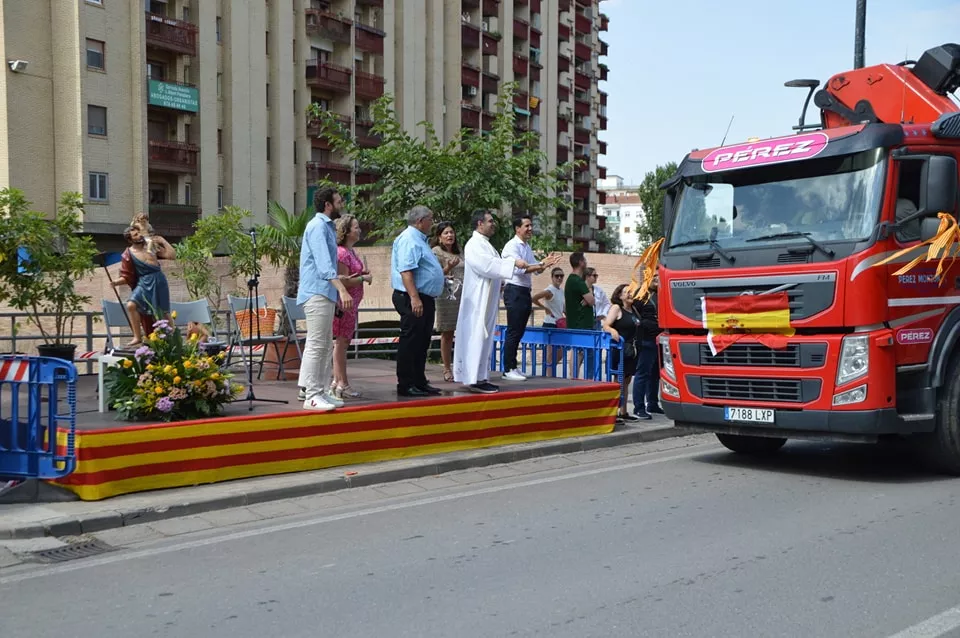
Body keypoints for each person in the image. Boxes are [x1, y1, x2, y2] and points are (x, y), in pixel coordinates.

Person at [454, 210, 528, 394]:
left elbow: (494, 265)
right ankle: (473, 378)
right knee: (477, 336)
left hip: (487, 299)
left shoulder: (486, 244)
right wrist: (513, 264)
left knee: (485, 337)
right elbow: (487, 266)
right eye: (490, 221)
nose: (493, 224)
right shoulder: (474, 245)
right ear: (480, 223)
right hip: (478, 301)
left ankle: (481, 376)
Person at [297, 187, 352, 411]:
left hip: (324, 293)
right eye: (338, 201)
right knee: (317, 344)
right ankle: (312, 395)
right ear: (328, 205)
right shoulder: (318, 226)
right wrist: (343, 290)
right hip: (317, 293)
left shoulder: (327, 227)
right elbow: (324, 266)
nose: (341, 205)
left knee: (324, 346)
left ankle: (318, 392)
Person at [392, 205, 446, 397]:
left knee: (422, 341)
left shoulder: (420, 240)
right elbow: (406, 271)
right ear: (420, 221)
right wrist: (414, 298)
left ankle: (419, 380)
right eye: (430, 219)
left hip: (424, 297)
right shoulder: (409, 239)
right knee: (411, 341)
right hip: (411, 296)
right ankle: (406, 384)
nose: (433, 223)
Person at [500, 215, 561, 381]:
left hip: (524, 291)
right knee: (513, 330)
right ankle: (507, 369)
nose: (530, 229)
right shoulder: (511, 246)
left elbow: (536, 269)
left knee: (519, 330)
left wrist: (544, 263)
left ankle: (513, 366)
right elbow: (520, 269)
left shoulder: (526, 247)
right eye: (526, 226)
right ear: (517, 229)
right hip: (514, 291)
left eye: (531, 225)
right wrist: (540, 265)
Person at [111, 224, 175, 347]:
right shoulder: (128, 254)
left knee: (163, 312)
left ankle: (171, 337)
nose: (139, 235)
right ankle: (137, 337)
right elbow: (127, 276)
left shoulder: (150, 246)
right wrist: (115, 282)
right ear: (130, 239)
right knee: (131, 305)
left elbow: (171, 256)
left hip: (158, 280)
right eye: (135, 234)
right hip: (143, 282)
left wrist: (163, 241)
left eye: (139, 232)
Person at [331, 214, 372, 399]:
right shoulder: (342, 253)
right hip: (344, 305)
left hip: (352, 305)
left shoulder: (351, 252)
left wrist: (361, 273)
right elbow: (343, 281)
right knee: (341, 343)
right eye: (355, 227)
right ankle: (342, 383)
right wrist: (363, 278)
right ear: (346, 231)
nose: (359, 230)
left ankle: (337, 382)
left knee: (344, 342)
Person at [602, 284, 642, 422]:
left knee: (627, 380)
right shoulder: (616, 308)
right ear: (620, 296)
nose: (631, 294)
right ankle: (613, 411)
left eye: (632, 292)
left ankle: (623, 411)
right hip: (619, 350)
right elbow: (606, 325)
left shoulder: (634, 309)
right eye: (627, 292)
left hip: (632, 350)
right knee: (618, 381)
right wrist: (613, 331)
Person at [430, 222, 464, 383]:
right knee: (447, 332)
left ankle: (461, 366)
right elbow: (434, 275)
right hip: (446, 296)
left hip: (463, 295)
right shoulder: (436, 252)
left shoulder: (461, 252)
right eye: (446, 233)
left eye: (451, 232)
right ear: (439, 237)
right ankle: (447, 368)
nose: (450, 236)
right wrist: (447, 268)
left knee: (464, 332)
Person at [632, 272, 663, 419]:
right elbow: (636, 316)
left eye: (659, 278)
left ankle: (652, 403)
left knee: (655, 374)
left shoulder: (659, 294)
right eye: (654, 278)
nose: (657, 281)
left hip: (658, 339)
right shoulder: (640, 295)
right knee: (643, 373)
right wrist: (650, 325)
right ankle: (639, 407)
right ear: (647, 278)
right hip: (646, 339)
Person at [564, 252, 596, 376]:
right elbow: (592, 301)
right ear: (581, 262)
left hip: (576, 322)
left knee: (578, 351)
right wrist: (588, 298)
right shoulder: (577, 281)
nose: (586, 262)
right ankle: (574, 378)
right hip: (580, 323)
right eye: (585, 260)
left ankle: (574, 377)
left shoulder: (571, 280)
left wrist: (586, 300)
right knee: (578, 352)